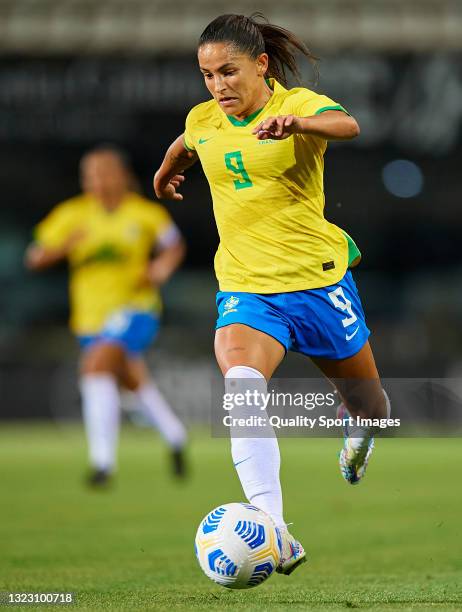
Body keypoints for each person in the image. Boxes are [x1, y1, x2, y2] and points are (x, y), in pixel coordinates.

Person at [153, 13, 390, 575]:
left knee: (372, 407)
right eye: (207, 75)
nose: (218, 86)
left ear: (260, 65)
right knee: (240, 382)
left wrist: (298, 127)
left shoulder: (300, 105)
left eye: (228, 72)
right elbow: (188, 144)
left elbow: (349, 125)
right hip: (247, 287)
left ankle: (361, 431)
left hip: (317, 282)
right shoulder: (205, 117)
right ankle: (273, 528)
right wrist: (164, 174)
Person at [26, 144, 188, 486]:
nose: (95, 181)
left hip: (136, 308)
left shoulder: (144, 214)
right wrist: (61, 248)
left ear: (120, 176)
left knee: (96, 366)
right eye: (89, 175)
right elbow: (34, 257)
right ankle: (175, 435)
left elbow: (174, 246)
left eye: (102, 173)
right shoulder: (72, 214)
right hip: (89, 318)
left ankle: (102, 464)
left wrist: (159, 268)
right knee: (131, 380)